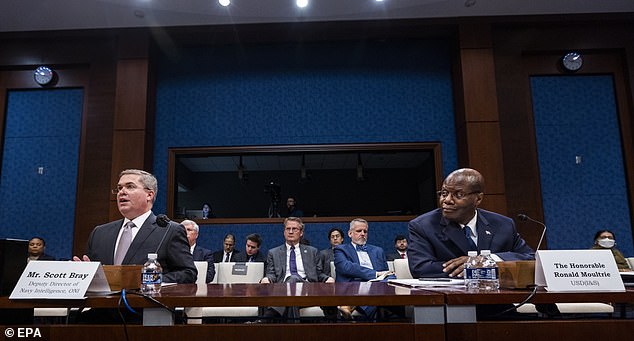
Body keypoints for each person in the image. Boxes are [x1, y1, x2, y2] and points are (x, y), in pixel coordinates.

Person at [73, 169, 197, 284]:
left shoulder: (169, 230)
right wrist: (83, 272)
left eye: (130, 186)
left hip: (145, 306)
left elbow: (188, 273)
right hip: (102, 306)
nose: (122, 192)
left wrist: (147, 280)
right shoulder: (99, 232)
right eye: (119, 188)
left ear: (149, 195)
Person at [408, 168, 534, 279]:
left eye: (458, 194)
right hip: (450, 301)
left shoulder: (503, 224)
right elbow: (421, 268)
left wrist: (487, 261)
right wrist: (472, 266)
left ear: (478, 199)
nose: (446, 200)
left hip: (498, 302)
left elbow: (530, 258)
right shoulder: (424, 225)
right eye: (444, 193)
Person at [260, 217, 334, 320]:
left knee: (292, 278)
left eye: (294, 229)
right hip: (282, 290)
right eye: (288, 229)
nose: (290, 232)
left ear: (301, 233)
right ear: (284, 232)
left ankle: (268, 316)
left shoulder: (312, 251)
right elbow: (271, 273)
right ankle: (294, 332)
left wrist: (327, 278)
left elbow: (318, 273)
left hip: (308, 290)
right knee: (292, 295)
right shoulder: (273, 252)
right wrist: (267, 278)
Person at [333, 218, 394, 320]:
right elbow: (346, 268)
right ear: (350, 233)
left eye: (365, 231)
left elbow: (384, 273)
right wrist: (375, 274)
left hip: (375, 285)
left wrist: (382, 275)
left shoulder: (378, 251)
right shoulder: (340, 249)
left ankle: (350, 306)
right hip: (352, 286)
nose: (362, 234)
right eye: (358, 231)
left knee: (391, 278)